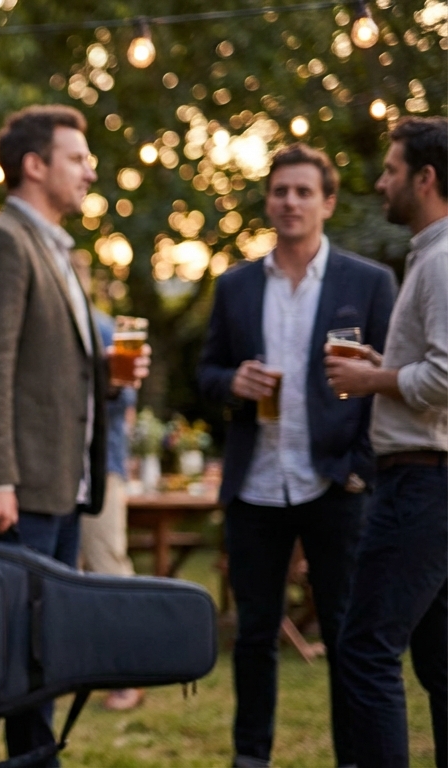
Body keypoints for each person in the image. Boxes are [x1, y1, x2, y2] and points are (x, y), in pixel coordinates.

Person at [0, 104, 148, 767]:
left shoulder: (61, 254)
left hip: (61, 488)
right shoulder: (0, 241)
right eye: (77, 158)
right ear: (35, 166)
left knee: (38, 658)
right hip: (14, 491)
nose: (91, 170)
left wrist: (112, 382)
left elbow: (50, 374)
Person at [197, 143, 396, 768]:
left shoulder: (368, 283)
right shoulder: (234, 287)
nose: (290, 201)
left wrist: (361, 469)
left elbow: (389, 383)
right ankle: (250, 758)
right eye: (280, 190)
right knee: (254, 635)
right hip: (256, 484)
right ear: (268, 201)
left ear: (327, 203)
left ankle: (353, 758)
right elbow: (203, 372)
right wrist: (231, 382)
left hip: (336, 484)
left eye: (303, 191)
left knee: (345, 636)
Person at [326, 116, 448, 768]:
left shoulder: (444, 260)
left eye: (392, 170)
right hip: (427, 478)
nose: (380, 182)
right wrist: (383, 363)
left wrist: (371, 376)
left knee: (366, 649)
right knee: (441, 661)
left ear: (425, 179)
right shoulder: (431, 255)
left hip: (422, 482)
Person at [81, 305, 143, 712]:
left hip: (100, 467)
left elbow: (127, 396)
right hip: (58, 471)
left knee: (107, 566)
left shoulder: (102, 327)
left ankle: (130, 675)